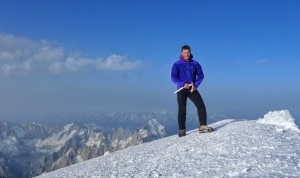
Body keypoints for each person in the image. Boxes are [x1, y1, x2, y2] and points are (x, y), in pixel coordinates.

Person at [171, 45, 213, 137]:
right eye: (185, 52)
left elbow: (201, 76)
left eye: (188, 52)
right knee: (182, 109)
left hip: (192, 88)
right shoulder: (177, 64)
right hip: (181, 89)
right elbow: (173, 77)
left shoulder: (195, 63)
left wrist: (196, 85)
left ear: (190, 53)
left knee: (201, 105)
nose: (186, 54)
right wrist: (182, 84)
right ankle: (182, 130)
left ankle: (202, 126)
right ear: (182, 53)